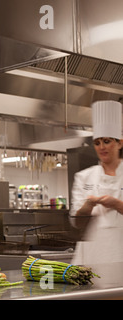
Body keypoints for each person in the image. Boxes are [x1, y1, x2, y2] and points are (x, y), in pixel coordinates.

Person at [70, 100, 123, 265]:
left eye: (107, 141)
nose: (102, 147)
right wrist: (87, 206)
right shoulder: (84, 177)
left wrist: (116, 204)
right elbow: (77, 223)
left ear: (120, 142)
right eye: (97, 142)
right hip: (93, 257)